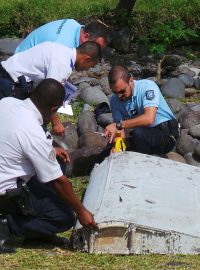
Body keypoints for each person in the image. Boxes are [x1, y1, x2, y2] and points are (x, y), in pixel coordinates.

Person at [0, 78, 97, 254]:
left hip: (6, 170)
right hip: (5, 193)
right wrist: (81, 212)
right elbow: (59, 182)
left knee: (56, 163)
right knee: (63, 217)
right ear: (54, 109)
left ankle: (32, 227)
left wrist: (51, 149)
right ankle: (8, 224)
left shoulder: (7, 102)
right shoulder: (33, 132)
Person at [0, 40, 102, 136]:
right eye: (90, 65)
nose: (88, 69)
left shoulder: (60, 48)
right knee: (9, 122)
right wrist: (56, 123)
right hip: (11, 83)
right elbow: (49, 97)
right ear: (86, 59)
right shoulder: (63, 65)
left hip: (6, 70)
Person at [104, 65, 180, 155]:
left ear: (131, 81)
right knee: (108, 151)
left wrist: (119, 125)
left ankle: (144, 165)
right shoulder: (115, 100)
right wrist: (118, 146)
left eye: (122, 91)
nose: (119, 96)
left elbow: (149, 119)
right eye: (115, 92)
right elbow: (119, 130)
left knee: (139, 134)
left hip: (167, 135)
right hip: (144, 134)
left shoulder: (147, 87)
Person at [15, 19, 108, 53]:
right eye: (97, 47)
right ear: (86, 37)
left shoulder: (73, 23)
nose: (97, 53)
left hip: (22, 50)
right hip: (20, 71)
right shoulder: (63, 46)